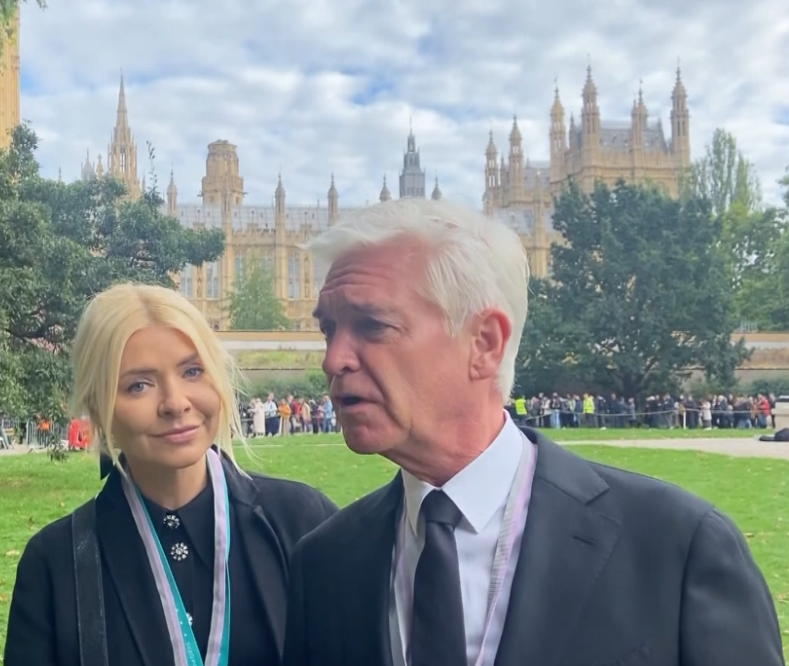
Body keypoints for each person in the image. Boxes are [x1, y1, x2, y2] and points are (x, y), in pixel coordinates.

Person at [282, 199, 784, 666]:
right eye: (329, 329)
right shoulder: (325, 564)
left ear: (484, 344)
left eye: (372, 326)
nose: (333, 359)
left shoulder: (677, 548)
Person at [4, 283, 338, 666]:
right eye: (139, 385)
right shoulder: (55, 563)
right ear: (99, 407)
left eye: (192, 371)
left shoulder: (304, 523)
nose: (176, 403)